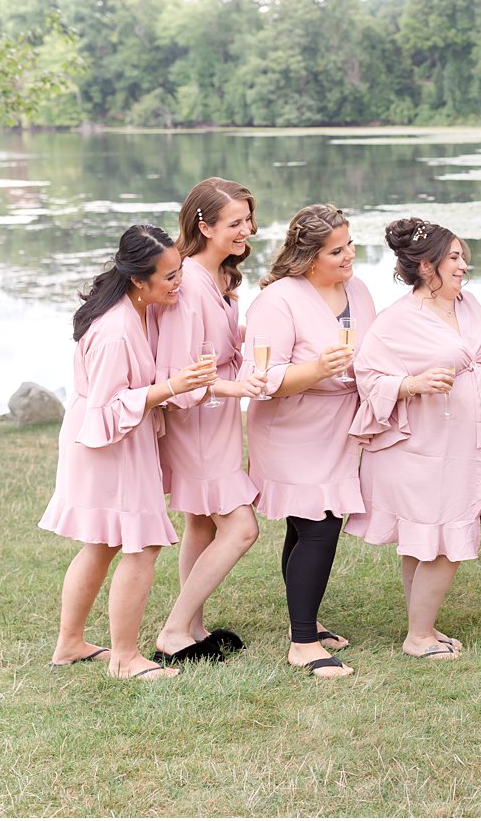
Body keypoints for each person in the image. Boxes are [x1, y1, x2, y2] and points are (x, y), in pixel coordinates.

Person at [39, 225, 217, 681]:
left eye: (180, 271)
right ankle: (125, 658)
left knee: (102, 544)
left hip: (118, 440)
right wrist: (174, 386)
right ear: (139, 279)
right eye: (170, 276)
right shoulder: (116, 330)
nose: (179, 283)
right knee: (142, 543)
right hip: (107, 444)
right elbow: (107, 408)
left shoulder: (138, 311)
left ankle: (70, 644)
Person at [347, 218, 481, 662]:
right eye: (453, 257)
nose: (463, 263)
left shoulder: (469, 304)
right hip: (422, 450)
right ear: (427, 266)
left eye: (461, 255)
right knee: (439, 537)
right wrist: (410, 385)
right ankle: (418, 637)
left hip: (464, 446)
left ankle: (423, 627)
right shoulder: (397, 320)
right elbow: (367, 376)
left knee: (426, 539)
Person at [246, 204, 376, 679]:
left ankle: (307, 622)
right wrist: (318, 370)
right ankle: (302, 642)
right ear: (308, 256)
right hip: (290, 428)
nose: (350, 256)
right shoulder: (279, 300)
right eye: (337, 250)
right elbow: (262, 377)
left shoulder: (357, 291)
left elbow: (371, 349)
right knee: (319, 525)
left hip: (337, 428)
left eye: (350, 245)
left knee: (306, 526)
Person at [149, 178, 265, 664]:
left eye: (248, 220)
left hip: (218, 421)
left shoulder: (222, 278)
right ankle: (174, 631)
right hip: (195, 421)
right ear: (204, 225)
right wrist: (230, 386)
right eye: (235, 223)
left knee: (201, 522)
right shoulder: (189, 281)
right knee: (240, 527)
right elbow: (176, 372)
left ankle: (193, 626)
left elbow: (224, 345)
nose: (247, 231)